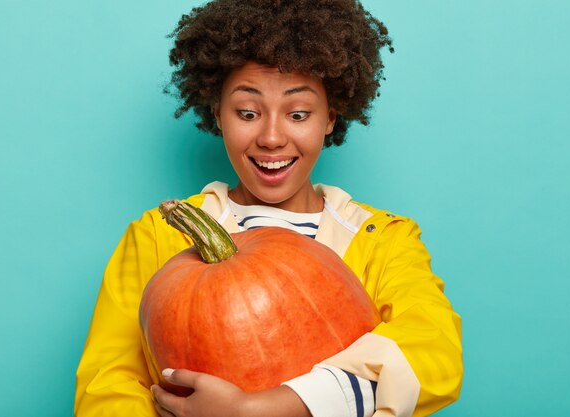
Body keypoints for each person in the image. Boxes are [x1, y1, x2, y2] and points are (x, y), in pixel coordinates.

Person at [74, 1, 463, 416]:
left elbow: (433, 355)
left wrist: (265, 408)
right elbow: (109, 386)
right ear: (217, 115)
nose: (272, 138)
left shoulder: (383, 240)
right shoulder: (158, 237)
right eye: (247, 112)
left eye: (298, 113)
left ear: (329, 118)